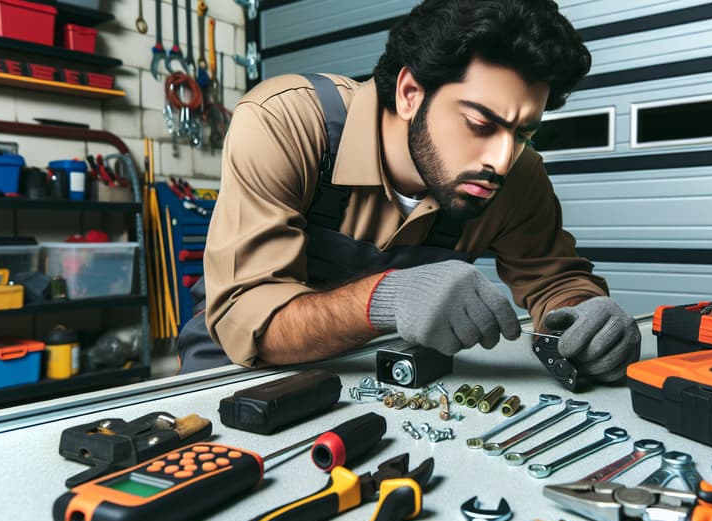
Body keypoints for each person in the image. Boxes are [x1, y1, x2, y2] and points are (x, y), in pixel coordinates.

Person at [179, 0, 641, 384]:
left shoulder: (516, 175)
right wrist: (387, 297)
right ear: (409, 93)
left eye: (522, 133)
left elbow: (555, 280)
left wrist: (588, 317)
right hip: (236, 379)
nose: (501, 159)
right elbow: (246, 318)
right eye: (480, 124)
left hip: (388, 380)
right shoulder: (287, 122)